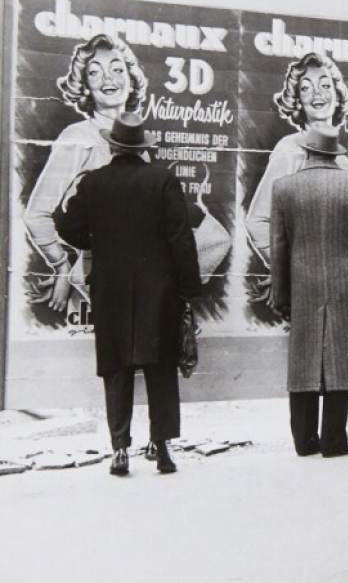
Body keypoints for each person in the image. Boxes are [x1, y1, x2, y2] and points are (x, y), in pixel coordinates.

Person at [54, 112, 201, 475]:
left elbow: (66, 225)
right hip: (160, 288)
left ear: (113, 146)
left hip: (111, 289)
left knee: (116, 366)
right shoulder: (163, 180)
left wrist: (96, 240)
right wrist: (189, 289)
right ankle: (162, 447)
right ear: (141, 148)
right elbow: (182, 239)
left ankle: (119, 449)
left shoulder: (94, 182)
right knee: (160, 365)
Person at [267, 123, 348, 457]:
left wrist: (280, 295)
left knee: (303, 360)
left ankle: (304, 441)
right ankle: (334, 440)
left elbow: (278, 248)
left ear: (307, 150)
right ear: (335, 153)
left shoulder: (284, 188)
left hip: (302, 283)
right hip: (346, 283)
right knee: (340, 360)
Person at [25, 34, 148, 313]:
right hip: (96, 281)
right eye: (95, 72)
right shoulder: (78, 137)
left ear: (131, 80)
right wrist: (61, 266)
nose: (108, 79)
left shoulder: (139, 145)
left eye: (117, 69)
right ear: (85, 87)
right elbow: (36, 214)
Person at [246, 52, 348, 271]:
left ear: (337, 94)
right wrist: (290, 270)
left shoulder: (344, 162)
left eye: (325, 85)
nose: (317, 94)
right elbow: (257, 222)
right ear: (297, 101)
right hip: (303, 279)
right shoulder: (289, 150)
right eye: (305, 88)